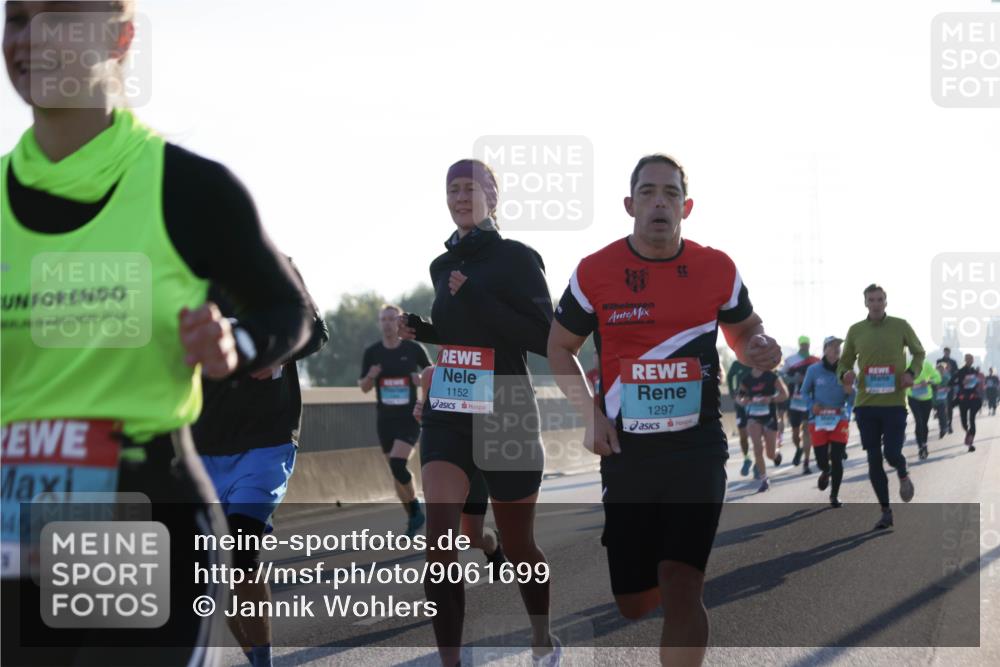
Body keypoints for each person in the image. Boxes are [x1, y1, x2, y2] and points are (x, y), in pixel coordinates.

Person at [0, 3, 314, 665]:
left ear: (120, 37)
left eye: (56, 17)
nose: (28, 38)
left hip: (140, 504)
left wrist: (237, 343)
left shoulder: (187, 187)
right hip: (15, 520)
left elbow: (290, 311)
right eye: (16, 18)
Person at [547, 154, 782, 667]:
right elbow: (559, 347)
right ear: (630, 204)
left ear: (687, 206)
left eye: (671, 193)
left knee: (682, 585)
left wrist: (758, 346)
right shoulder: (595, 272)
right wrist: (590, 415)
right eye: (649, 192)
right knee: (633, 601)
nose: (660, 202)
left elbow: (744, 331)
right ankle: (641, 578)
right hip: (627, 450)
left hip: (696, 446)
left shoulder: (716, 267)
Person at [399, 159, 557, 666]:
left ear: (493, 193)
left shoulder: (516, 258)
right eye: (452, 189)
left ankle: (541, 639)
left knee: (522, 547)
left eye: (470, 188)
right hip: (450, 406)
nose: (460, 197)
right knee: (439, 546)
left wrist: (480, 295)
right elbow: (461, 333)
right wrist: (423, 330)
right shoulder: (441, 266)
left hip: (506, 408)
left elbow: (542, 337)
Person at [193, 266, 328, 667]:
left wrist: (282, 354)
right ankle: (256, 657)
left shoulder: (272, 264)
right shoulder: (179, 274)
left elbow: (316, 331)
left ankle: (264, 661)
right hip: (203, 445)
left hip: (266, 442)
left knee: (240, 553)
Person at [838, 284, 924, 530]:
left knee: (892, 454)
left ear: (886, 302)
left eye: (880, 299)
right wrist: (844, 373)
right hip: (866, 405)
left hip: (895, 403)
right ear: (865, 303)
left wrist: (910, 373)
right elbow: (844, 362)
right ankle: (886, 511)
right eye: (871, 300)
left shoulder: (901, 325)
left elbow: (919, 353)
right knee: (874, 460)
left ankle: (903, 472)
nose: (876, 303)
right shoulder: (855, 330)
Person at [414, 366, 506, 569]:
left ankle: (493, 546)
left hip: (479, 451)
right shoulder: (431, 375)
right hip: (443, 454)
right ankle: (446, 596)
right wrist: (422, 413)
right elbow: (426, 417)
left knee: (472, 535)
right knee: (441, 536)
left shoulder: (493, 366)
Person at [359, 304, 432, 536]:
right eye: (384, 319)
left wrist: (419, 379)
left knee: (398, 464)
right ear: (380, 323)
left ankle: (415, 507)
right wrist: (371, 376)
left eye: (392, 319)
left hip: (410, 417)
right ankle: (412, 516)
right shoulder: (372, 353)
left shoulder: (413, 349)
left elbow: (433, 376)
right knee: (395, 471)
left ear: (398, 322)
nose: (388, 323)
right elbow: (363, 387)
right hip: (385, 419)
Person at [801, 337, 855, 507]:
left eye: (838, 346)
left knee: (837, 458)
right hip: (818, 419)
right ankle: (825, 470)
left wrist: (849, 390)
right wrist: (812, 405)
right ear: (824, 350)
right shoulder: (813, 370)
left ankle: (834, 495)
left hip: (840, 418)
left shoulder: (846, 370)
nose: (836, 349)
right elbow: (804, 392)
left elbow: (854, 396)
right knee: (821, 459)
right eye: (832, 346)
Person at [736, 367, 788, 492]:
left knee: (770, 454)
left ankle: (776, 453)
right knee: (757, 447)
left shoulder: (771, 376)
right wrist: (743, 401)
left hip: (769, 417)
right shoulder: (747, 379)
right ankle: (764, 480)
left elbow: (785, 394)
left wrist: (771, 399)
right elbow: (739, 396)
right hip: (753, 418)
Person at [780, 336, 820, 473]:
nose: (805, 346)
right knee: (795, 434)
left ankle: (806, 463)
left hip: (810, 401)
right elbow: (780, 375)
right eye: (802, 344)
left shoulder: (816, 361)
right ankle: (799, 448)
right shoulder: (791, 360)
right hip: (794, 402)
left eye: (806, 344)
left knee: (807, 431)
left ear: (809, 345)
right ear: (799, 345)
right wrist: (792, 379)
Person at [905, 357, 941, 460]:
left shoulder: (927, 365)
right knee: (919, 421)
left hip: (926, 398)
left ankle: (924, 444)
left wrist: (929, 381)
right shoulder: (908, 365)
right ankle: (920, 446)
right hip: (913, 397)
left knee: (924, 423)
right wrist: (913, 384)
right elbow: (902, 379)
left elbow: (937, 378)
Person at [726, 359, 754, 477]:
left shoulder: (755, 361)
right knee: (743, 435)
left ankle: (758, 462)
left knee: (756, 433)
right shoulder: (737, 364)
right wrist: (732, 392)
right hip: (740, 402)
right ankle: (747, 458)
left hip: (754, 401)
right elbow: (729, 376)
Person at [951, 354, 985, 451]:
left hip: (974, 398)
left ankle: (970, 443)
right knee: (964, 422)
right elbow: (951, 382)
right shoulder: (960, 371)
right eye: (968, 359)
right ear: (965, 360)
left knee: (972, 419)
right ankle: (968, 432)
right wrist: (961, 383)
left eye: (971, 359)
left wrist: (978, 383)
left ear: (973, 360)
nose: (970, 360)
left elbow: (981, 384)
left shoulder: (975, 372)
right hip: (963, 399)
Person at [937, 347, 960, 434]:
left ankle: (949, 424)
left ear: (949, 352)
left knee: (949, 406)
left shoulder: (953, 362)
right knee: (940, 407)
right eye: (945, 352)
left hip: (949, 387)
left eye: (948, 352)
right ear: (944, 352)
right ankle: (942, 425)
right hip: (940, 386)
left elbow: (957, 373)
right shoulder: (939, 361)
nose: (946, 353)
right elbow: (936, 372)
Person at [933, 362, 953, 439]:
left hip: (943, 399)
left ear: (944, 370)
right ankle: (945, 425)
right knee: (940, 414)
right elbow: (930, 386)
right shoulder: (933, 377)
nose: (940, 371)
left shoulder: (946, 378)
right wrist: (935, 387)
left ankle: (943, 429)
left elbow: (950, 386)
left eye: (942, 369)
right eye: (939, 369)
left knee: (942, 414)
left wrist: (947, 389)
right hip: (934, 399)